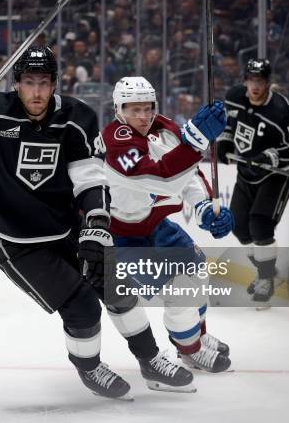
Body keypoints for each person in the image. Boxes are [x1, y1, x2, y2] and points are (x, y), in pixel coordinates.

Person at [0, 46, 222, 399]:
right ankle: (90, 368)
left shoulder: (77, 117)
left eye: (44, 83)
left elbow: (90, 178)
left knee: (116, 285)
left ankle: (151, 360)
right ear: (17, 84)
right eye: (29, 82)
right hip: (14, 238)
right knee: (82, 307)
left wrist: (95, 223)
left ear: (54, 84)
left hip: (64, 224)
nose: (36, 92)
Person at [102, 76, 232, 373]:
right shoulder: (116, 143)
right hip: (124, 238)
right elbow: (163, 178)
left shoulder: (163, 127)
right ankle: (190, 350)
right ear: (118, 109)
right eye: (134, 109)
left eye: (148, 108)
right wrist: (196, 140)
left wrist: (203, 208)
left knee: (197, 271)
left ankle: (195, 335)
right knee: (180, 290)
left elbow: (189, 173)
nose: (144, 116)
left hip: (156, 227)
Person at [217, 59, 289, 302]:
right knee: (237, 225)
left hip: (276, 174)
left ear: (268, 83)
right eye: (251, 80)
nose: (255, 86)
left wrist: (269, 156)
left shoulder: (282, 109)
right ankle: (267, 271)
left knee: (260, 225)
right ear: (245, 80)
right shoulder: (235, 96)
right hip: (247, 172)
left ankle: (266, 278)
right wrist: (224, 141)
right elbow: (229, 122)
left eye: (261, 81)